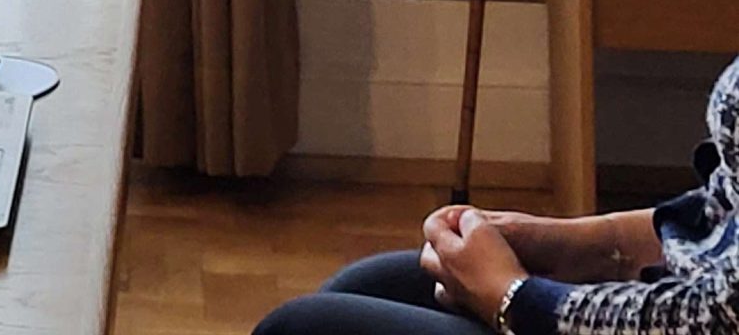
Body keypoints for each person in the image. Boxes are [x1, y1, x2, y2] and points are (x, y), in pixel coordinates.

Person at [256, 54, 739, 334]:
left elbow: (715, 322)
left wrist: (517, 298)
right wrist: (597, 244)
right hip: (692, 294)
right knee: (373, 283)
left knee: (307, 328)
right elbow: (725, 202)